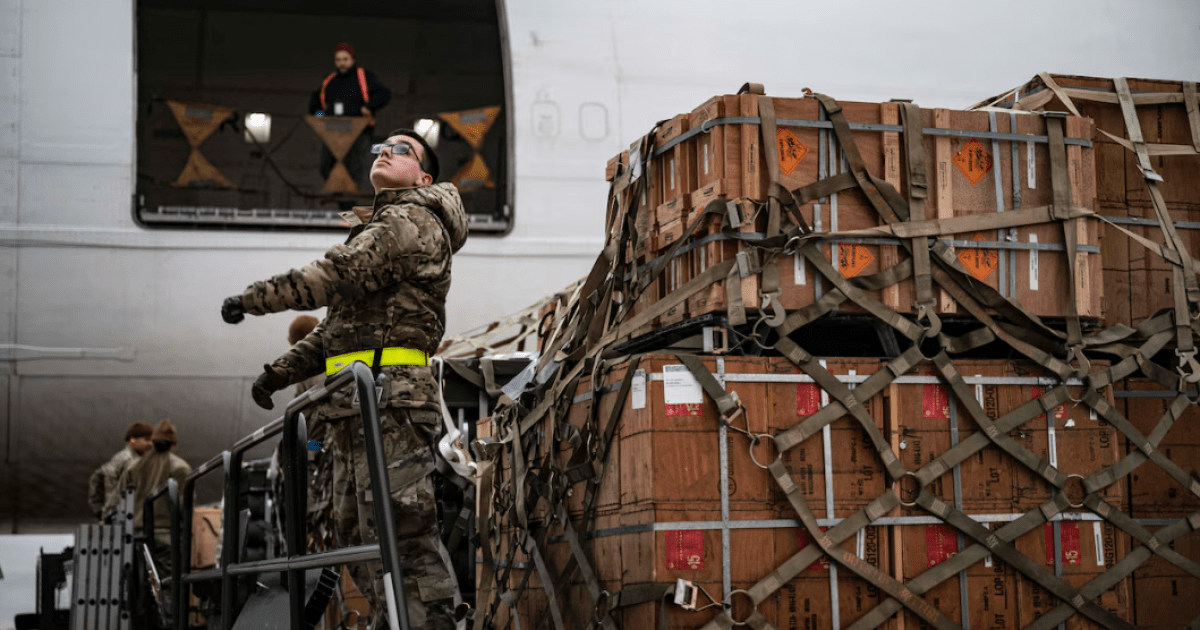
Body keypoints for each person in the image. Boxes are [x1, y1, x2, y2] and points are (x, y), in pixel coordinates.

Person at [220, 128, 466, 630]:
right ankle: (392, 620)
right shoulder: (383, 225)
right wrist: (279, 373)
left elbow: (335, 275)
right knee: (357, 534)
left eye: (401, 149)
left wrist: (254, 299)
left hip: (390, 402)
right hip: (357, 405)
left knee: (404, 533)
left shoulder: (412, 220)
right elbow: (336, 330)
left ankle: (431, 624)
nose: (385, 152)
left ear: (424, 175)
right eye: (381, 148)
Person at [309, 43, 392, 191]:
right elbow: (315, 102)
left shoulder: (364, 77)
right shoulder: (330, 81)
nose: (342, 63)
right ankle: (338, 192)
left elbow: (384, 94)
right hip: (333, 128)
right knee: (324, 164)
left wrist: (369, 107)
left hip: (358, 129)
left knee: (354, 166)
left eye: (345, 59)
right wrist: (319, 114)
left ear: (352, 59)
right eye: (338, 60)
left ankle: (349, 198)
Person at [88, 422, 153, 519]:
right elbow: (98, 478)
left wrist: (99, 509)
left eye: (152, 440)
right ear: (133, 440)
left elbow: (97, 477)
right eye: (147, 439)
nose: (150, 443)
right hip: (124, 518)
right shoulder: (129, 460)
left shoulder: (125, 458)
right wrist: (100, 510)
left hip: (121, 516)